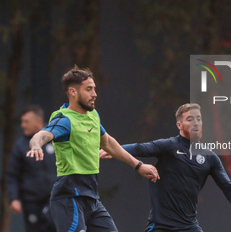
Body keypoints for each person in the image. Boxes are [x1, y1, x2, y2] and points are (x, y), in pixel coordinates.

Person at [27, 65, 159, 232]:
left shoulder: (93, 115)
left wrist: (138, 165)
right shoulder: (64, 120)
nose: (94, 94)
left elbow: (108, 143)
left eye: (94, 89)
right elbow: (41, 135)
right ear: (73, 92)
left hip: (91, 198)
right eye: (89, 89)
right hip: (69, 198)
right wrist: (36, 145)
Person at [100, 103, 231, 232]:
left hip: (189, 226)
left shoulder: (210, 157)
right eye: (190, 119)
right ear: (179, 124)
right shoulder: (169, 146)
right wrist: (114, 150)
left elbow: (228, 187)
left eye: (199, 119)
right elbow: (139, 148)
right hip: (161, 226)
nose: (196, 122)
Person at [6, 105, 57, 232]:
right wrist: (14, 198)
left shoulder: (56, 137)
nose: (23, 125)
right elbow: (12, 175)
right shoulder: (20, 146)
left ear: (39, 121)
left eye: (26, 121)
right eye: (22, 121)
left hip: (55, 200)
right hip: (32, 203)